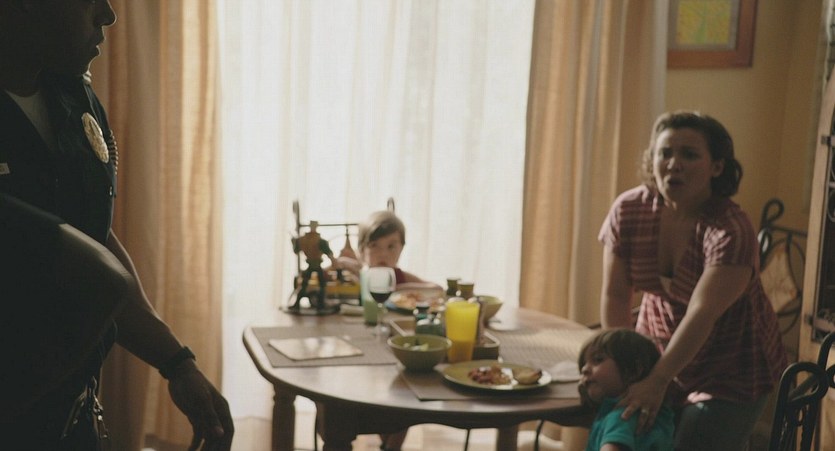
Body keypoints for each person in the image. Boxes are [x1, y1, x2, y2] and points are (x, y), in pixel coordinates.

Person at [0, 1, 233, 449]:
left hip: (77, 422)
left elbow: (93, 241)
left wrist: (177, 362)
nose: (108, 14)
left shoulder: (75, 97)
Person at [598, 111, 786, 450]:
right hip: (657, 353)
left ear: (717, 167)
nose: (674, 164)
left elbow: (702, 313)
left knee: (694, 441)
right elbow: (615, 295)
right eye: (665, 153)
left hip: (731, 369)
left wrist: (657, 381)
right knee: (620, 433)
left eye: (689, 154)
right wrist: (625, 369)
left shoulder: (731, 228)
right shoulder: (629, 210)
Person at [336, 210, 440, 450]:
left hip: (393, 353)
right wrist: (350, 268)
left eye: (392, 246)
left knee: (403, 396)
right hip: (356, 355)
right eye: (375, 246)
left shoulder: (400, 278)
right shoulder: (354, 276)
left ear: (402, 249)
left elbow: (436, 289)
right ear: (362, 250)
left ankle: (391, 445)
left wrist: (400, 288)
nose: (383, 254)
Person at [578, 328, 675, 451]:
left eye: (598, 359)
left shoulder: (621, 417)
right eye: (584, 364)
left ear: (634, 370)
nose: (584, 369)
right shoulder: (659, 414)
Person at [290, 220, 336, 310]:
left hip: (315, 264)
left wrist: (334, 262)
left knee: (316, 285)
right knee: (310, 285)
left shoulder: (306, 240)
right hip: (313, 264)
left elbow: (329, 253)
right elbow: (296, 250)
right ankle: (299, 304)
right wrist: (294, 242)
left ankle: (320, 304)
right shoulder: (312, 240)